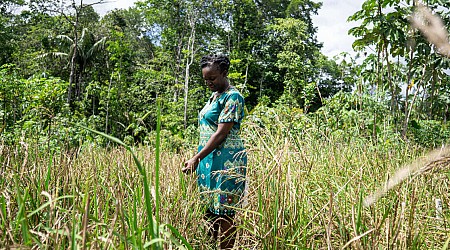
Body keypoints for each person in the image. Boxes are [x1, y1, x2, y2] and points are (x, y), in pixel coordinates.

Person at [182, 54, 247, 249]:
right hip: (208, 160)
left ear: (224, 73)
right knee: (209, 208)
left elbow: (220, 134)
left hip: (227, 161)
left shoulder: (233, 96)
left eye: (212, 78)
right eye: (206, 79)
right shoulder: (214, 96)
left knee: (225, 210)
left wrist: (196, 157)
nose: (209, 82)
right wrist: (199, 158)